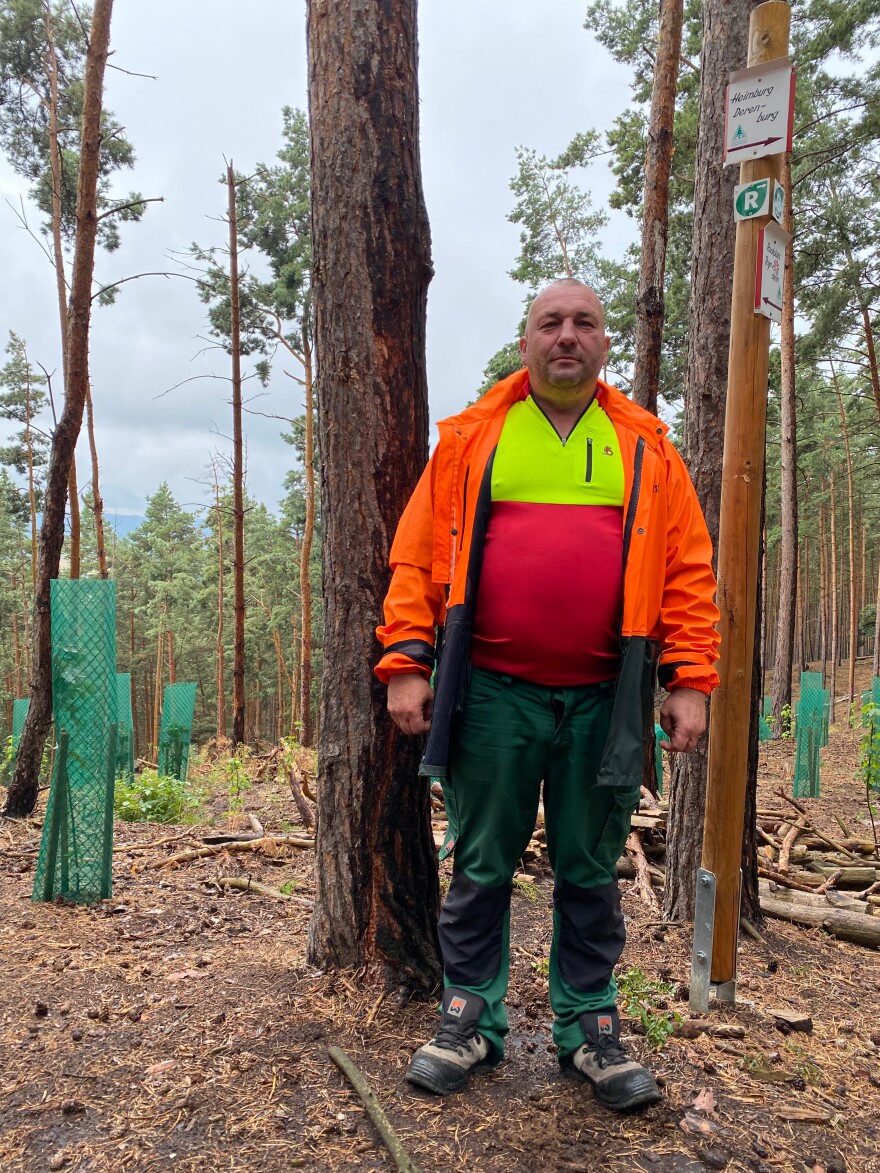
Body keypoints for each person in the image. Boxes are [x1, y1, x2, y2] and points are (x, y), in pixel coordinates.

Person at [375, 279, 720, 1112]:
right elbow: (418, 557)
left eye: (583, 324)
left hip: (607, 698)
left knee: (589, 867)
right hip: (491, 692)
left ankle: (590, 1028)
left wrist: (689, 680)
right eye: (549, 323)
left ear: (605, 343)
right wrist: (407, 660)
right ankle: (468, 1017)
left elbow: (686, 571)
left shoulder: (645, 446)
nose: (567, 336)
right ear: (525, 341)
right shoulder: (474, 439)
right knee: (483, 859)